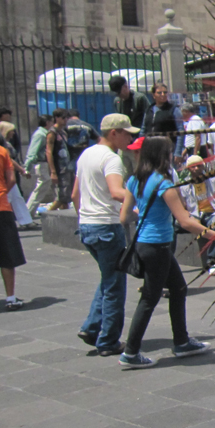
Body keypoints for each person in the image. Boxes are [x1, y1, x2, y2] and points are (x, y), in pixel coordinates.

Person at [117, 137, 215, 368]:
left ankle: (181, 342)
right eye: (169, 154)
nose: (172, 158)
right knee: (149, 298)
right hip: (158, 246)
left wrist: (147, 217)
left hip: (144, 244)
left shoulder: (134, 180)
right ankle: (130, 352)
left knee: (179, 289)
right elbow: (186, 221)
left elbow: (124, 217)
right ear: (161, 156)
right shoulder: (164, 184)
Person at [71, 114, 139, 354]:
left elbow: (75, 194)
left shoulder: (86, 154)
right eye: (127, 133)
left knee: (107, 277)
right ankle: (108, 340)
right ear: (114, 133)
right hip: (107, 226)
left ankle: (91, 327)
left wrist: (84, 217)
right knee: (115, 285)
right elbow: (116, 191)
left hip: (88, 225)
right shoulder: (111, 159)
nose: (130, 138)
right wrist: (139, 204)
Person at [0, 134, 25, 310]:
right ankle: (10, 297)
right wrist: (2, 191)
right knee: (7, 252)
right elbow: (11, 179)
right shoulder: (0, 150)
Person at [142, 84, 184, 157]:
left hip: (167, 150)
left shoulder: (173, 110)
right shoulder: (149, 110)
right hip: (150, 149)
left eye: (165, 92)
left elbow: (180, 132)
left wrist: (177, 153)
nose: (163, 95)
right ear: (153, 95)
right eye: (159, 92)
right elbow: (143, 129)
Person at [24, 114, 52, 215]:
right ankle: (27, 213)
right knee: (39, 190)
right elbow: (32, 152)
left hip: (46, 164)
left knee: (43, 188)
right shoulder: (40, 134)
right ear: (47, 122)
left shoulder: (46, 133)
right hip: (42, 164)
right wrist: (26, 168)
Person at [44, 109, 72, 210]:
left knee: (66, 197)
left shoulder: (63, 132)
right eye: (63, 118)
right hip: (58, 168)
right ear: (57, 118)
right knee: (61, 196)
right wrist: (53, 171)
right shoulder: (52, 132)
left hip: (66, 167)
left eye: (67, 118)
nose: (66, 120)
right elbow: (49, 152)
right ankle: (48, 214)